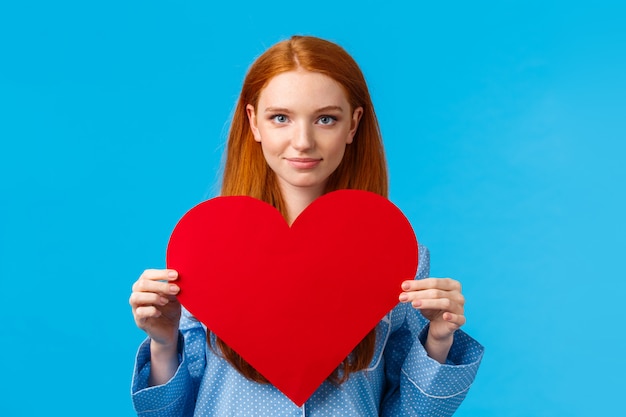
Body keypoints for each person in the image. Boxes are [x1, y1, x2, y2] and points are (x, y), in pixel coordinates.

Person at [129, 35, 484, 416]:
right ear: (254, 122)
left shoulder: (397, 258)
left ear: (353, 125)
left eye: (326, 119)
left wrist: (439, 339)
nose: (302, 141)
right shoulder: (204, 250)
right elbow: (167, 413)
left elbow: (412, 412)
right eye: (280, 117)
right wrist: (163, 343)